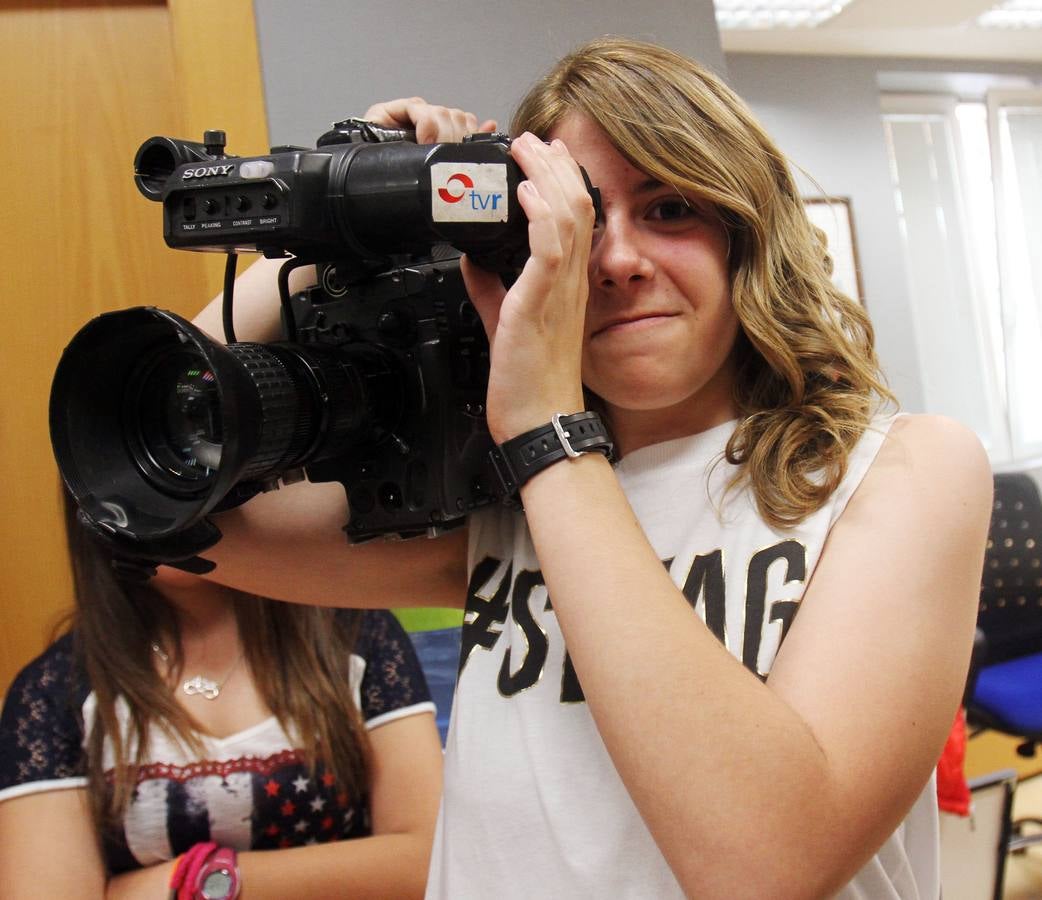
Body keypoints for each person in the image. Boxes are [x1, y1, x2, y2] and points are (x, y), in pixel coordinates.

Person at [168, 37, 991, 898]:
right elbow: (168, 514)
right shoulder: (497, 504)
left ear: (749, 233)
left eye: (670, 208)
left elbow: (765, 866)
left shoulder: (901, 471)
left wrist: (545, 428)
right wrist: (341, 214)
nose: (617, 260)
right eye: (582, 222)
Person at [0, 490, 443, 899]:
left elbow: (429, 859)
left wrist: (197, 881)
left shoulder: (355, 632)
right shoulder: (54, 690)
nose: (169, 502)